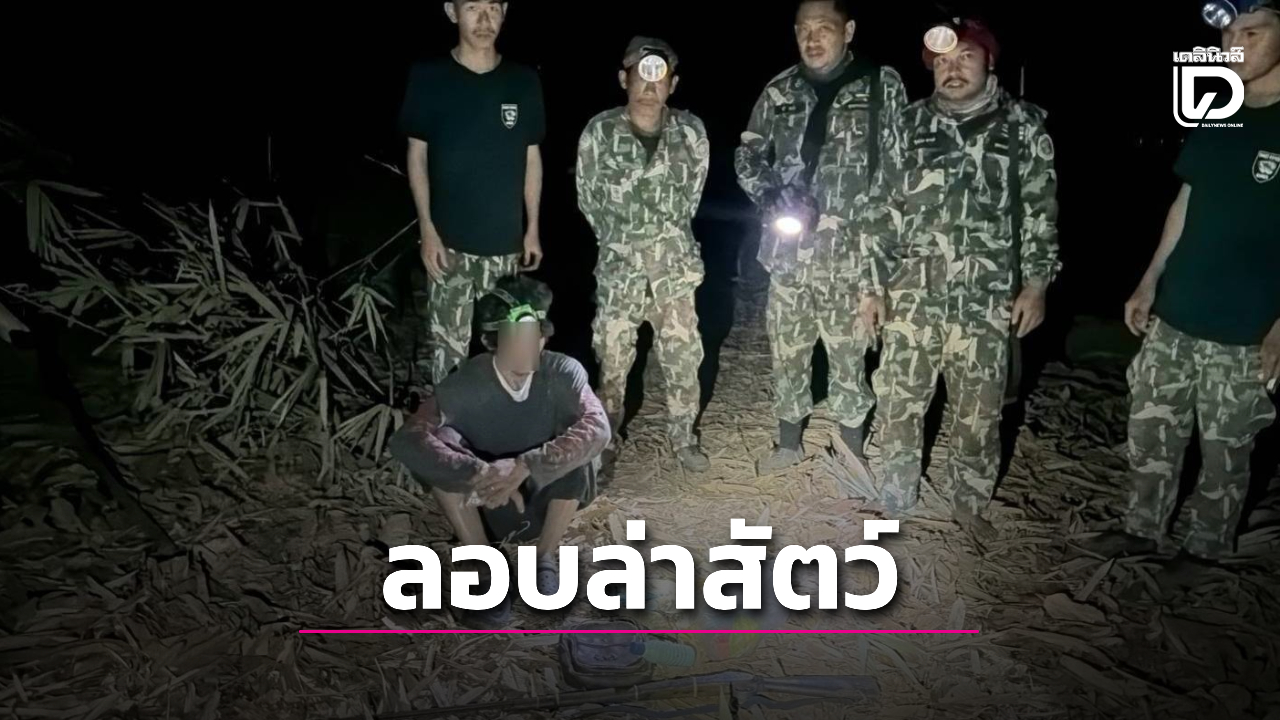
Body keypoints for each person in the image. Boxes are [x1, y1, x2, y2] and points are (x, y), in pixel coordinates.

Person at [858, 19, 1060, 539]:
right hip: (911, 293)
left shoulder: (1023, 125)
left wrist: (1037, 283)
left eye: (965, 57)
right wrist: (871, 286)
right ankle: (896, 494)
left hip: (987, 298)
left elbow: (1039, 210)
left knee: (979, 411)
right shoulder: (907, 125)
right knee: (899, 399)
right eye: (942, 62)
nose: (952, 69)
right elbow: (881, 211)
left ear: (989, 61)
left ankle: (969, 502)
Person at [1116, 0, 1280, 560]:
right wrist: (1149, 279)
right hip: (1178, 311)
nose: (1235, 45)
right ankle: (1142, 529)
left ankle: (1206, 552)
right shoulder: (1220, 110)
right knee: (1150, 427)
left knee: (1226, 450)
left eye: (1252, 32)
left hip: (1246, 329)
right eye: (1229, 34)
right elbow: (1187, 199)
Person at [735, 0, 908, 473]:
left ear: (848, 30)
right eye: (803, 30)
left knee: (850, 357)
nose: (812, 39)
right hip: (788, 252)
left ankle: (850, 450)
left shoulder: (880, 85)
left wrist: (878, 268)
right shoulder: (779, 89)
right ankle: (788, 443)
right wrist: (770, 194)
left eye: (824, 28)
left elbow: (896, 176)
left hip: (851, 256)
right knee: (787, 350)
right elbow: (747, 154)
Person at [389, 276, 610, 627]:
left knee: (577, 443)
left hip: (545, 499)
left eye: (534, 335)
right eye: (515, 337)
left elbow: (598, 427)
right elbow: (408, 438)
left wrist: (526, 465)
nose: (527, 346)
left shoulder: (562, 371)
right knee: (439, 442)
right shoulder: (465, 383)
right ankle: (484, 567)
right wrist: (478, 472)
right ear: (492, 341)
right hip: (488, 503)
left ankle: (544, 559)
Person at [576, 37, 712, 473]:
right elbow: (588, 199)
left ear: (672, 84)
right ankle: (606, 438)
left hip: (674, 267)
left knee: (683, 356)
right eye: (641, 75)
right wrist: (623, 242)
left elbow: (692, 197)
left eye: (660, 77)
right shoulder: (599, 132)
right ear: (624, 79)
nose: (650, 86)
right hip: (620, 270)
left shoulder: (691, 132)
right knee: (613, 358)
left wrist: (662, 239)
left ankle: (683, 438)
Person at [399, 0, 546, 385]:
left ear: (505, 11)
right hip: (449, 245)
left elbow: (532, 157)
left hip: (505, 247)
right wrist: (427, 229)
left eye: (493, 8)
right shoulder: (429, 76)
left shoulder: (523, 80)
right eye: (473, 8)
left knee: (509, 351)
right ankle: (449, 422)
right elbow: (417, 155)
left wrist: (532, 228)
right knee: (449, 355)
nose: (484, 20)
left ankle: (505, 419)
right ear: (452, 12)